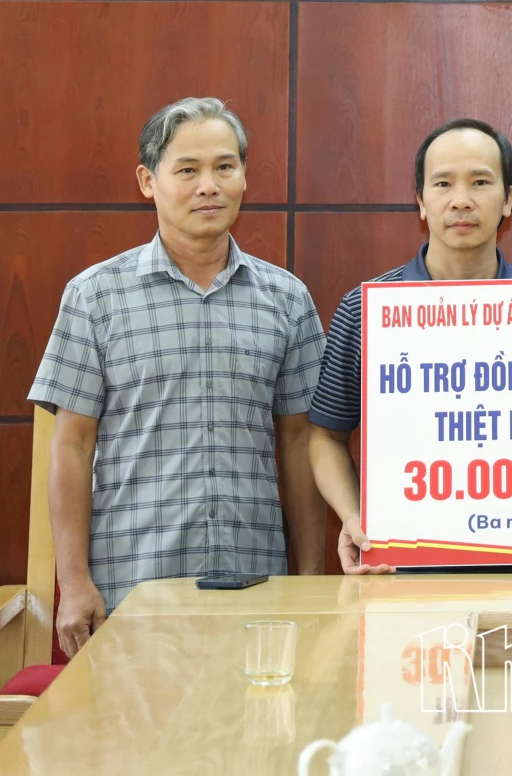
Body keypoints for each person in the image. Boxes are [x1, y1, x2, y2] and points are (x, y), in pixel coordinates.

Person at [29, 97, 327, 655]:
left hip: (256, 584)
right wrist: (74, 583)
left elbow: (300, 442)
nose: (208, 186)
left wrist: (311, 578)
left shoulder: (287, 299)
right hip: (133, 585)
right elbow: (71, 445)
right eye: (187, 170)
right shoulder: (95, 297)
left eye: (224, 167)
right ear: (148, 181)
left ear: (244, 176)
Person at [307, 118, 512, 573]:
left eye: (480, 182)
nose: (461, 200)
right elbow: (326, 436)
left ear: (508, 199)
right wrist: (354, 516)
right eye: (443, 183)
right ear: (421, 202)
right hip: (401, 576)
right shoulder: (366, 309)